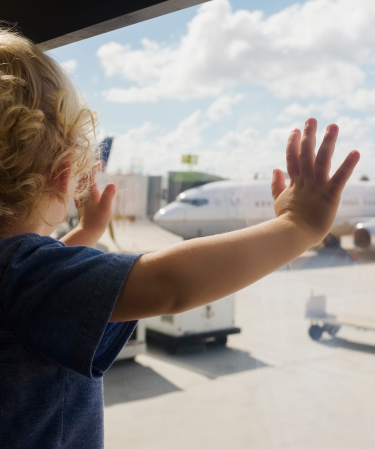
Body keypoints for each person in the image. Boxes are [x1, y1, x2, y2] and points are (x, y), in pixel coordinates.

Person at [0, 29, 360, 449]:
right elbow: (170, 285)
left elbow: (39, 290)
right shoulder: (26, 277)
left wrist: (87, 234)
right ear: (66, 176)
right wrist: (299, 225)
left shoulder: (23, 278)